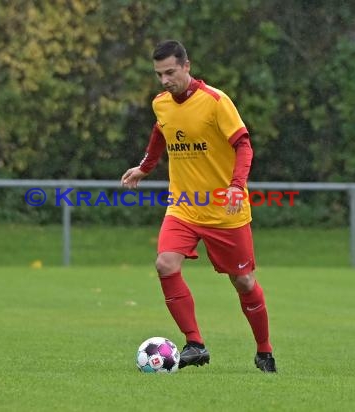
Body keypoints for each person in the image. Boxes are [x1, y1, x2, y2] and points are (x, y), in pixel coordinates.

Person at [120, 40, 276, 373]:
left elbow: (244, 147)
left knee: (244, 282)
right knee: (165, 264)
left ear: (187, 66)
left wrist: (236, 187)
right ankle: (195, 344)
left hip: (225, 212)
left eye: (170, 72)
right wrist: (145, 167)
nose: (164, 80)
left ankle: (264, 350)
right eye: (159, 74)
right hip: (184, 207)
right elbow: (160, 135)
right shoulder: (161, 104)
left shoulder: (217, 102)